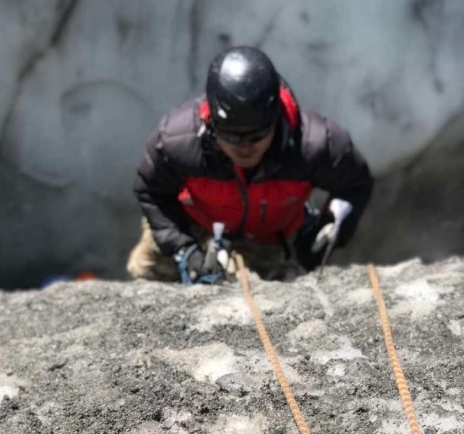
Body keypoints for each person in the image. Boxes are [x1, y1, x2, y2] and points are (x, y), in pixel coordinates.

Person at [127, 46, 373, 283]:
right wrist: (183, 248)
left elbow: (356, 184)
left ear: (276, 120)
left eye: (257, 135)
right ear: (211, 123)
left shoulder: (317, 145)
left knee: (281, 297)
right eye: (231, 136)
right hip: (193, 222)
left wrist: (330, 228)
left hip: (269, 234)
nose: (244, 147)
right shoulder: (175, 140)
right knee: (146, 270)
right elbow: (151, 191)